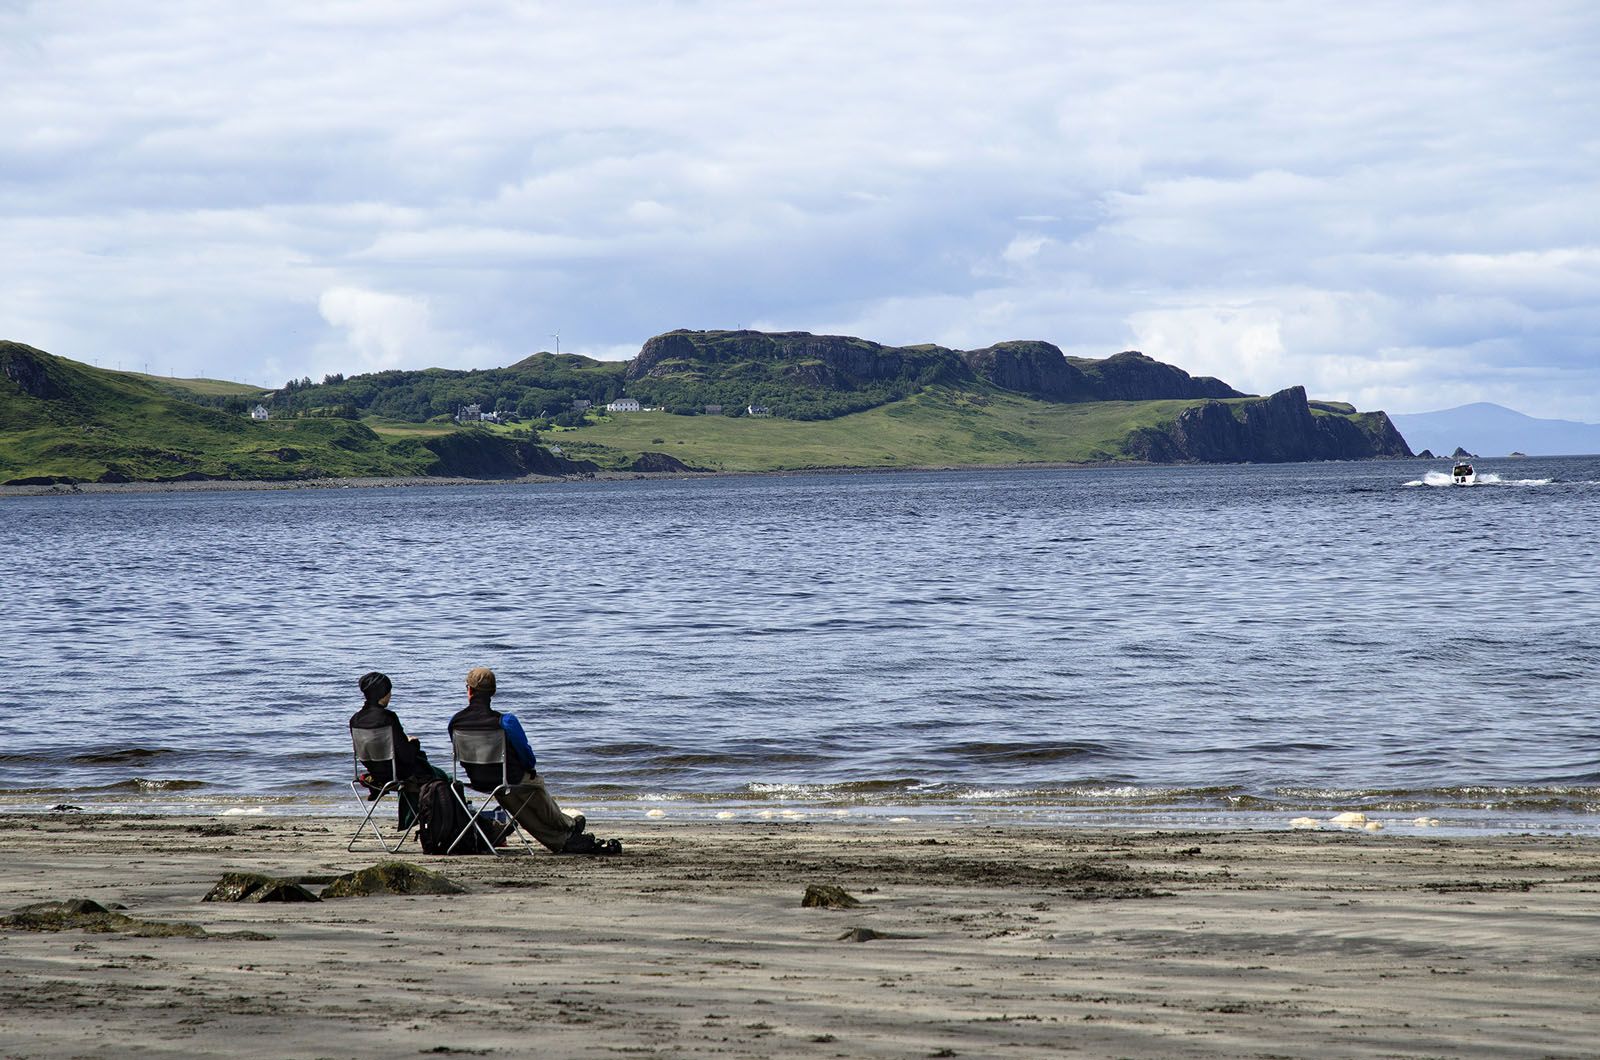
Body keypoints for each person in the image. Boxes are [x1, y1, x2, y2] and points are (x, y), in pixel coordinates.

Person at [447, 666, 619, 855]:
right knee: (533, 785)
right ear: (493, 693)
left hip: (479, 781)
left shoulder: (455, 723)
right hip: (510, 779)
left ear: (469, 690)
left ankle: (562, 840)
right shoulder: (505, 721)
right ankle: (568, 825)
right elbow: (528, 758)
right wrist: (527, 768)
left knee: (515, 800)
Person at [349, 671, 447, 826]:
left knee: (414, 771)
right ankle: (436, 823)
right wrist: (414, 743)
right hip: (397, 775)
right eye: (389, 691)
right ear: (384, 693)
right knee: (441, 777)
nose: (391, 695)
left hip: (376, 773)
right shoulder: (388, 718)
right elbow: (407, 756)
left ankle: (413, 820)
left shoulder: (355, 719)